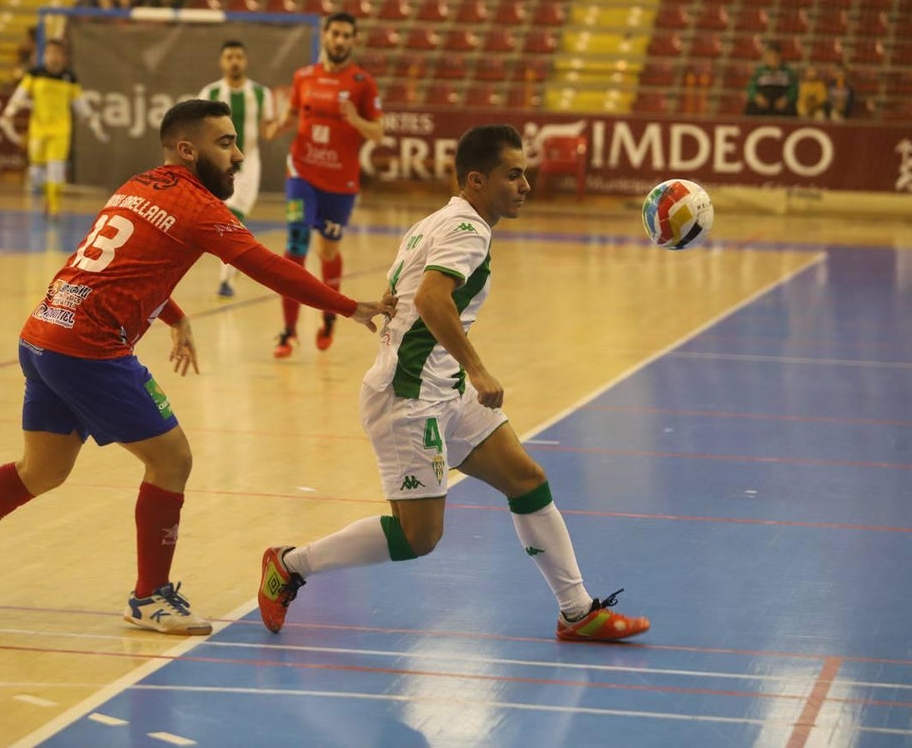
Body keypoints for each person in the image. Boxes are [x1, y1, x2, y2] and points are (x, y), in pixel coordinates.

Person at [0, 99, 396, 636]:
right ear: (187, 149)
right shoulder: (202, 209)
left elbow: (120, 262)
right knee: (172, 459)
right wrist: (349, 306)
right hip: (88, 349)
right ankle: (150, 598)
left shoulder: (136, 186)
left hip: (44, 332)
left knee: (42, 470)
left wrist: (175, 316)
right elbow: (268, 267)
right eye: (225, 144)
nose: (237, 155)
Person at [257, 125, 651, 643]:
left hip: (441, 386)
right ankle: (289, 565)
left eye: (525, 173)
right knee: (419, 538)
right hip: (409, 395)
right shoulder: (469, 230)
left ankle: (577, 612)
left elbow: (402, 291)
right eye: (513, 174)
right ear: (476, 179)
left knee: (527, 481)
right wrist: (479, 369)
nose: (525, 184)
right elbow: (430, 300)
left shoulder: (435, 222)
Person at [267, 11, 384, 358]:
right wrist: (279, 126)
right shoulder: (303, 76)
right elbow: (293, 114)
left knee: (328, 251)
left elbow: (378, 132)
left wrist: (356, 120)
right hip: (301, 174)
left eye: (347, 35)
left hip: (341, 184)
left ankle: (329, 317)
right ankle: (288, 332)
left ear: (353, 40)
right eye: (335, 34)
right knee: (296, 245)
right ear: (326, 35)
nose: (340, 41)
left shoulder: (363, 83)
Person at [196, 40, 277, 298]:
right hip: (218, 163)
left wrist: (282, 124)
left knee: (235, 216)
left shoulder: (262, 94)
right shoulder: (209, 93)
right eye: (229, 56)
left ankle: (226, 279)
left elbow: (267, 130)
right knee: (220, 218)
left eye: (239, 56)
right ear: (222, 62)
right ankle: (232, 268)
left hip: (248, 163)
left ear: (246, 61)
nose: (234, 61)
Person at [0, 39, 109, 217]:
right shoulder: (35, 74)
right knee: (36, 175)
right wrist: (9, 113)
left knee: (56, 169)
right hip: (38, 130)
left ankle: (54, 206)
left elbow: (80, 104)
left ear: (63, 57)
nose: (53, 57)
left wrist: (93, 123)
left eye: (57, 53)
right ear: (45, 55)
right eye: (50, 53)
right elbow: (20, 95)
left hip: (60, 130)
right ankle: (45, 197)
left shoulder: (69, 77)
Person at [744, 42, 797, 117]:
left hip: (781, 103)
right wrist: (757, 97)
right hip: (763, 103)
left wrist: (786, 99)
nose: (774, 59)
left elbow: (793, 89)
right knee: (751, 108)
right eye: (771, 56)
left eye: (776, 56)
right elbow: (751, 88)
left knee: (791, 110)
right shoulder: (760, 72)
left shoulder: (788, 72)